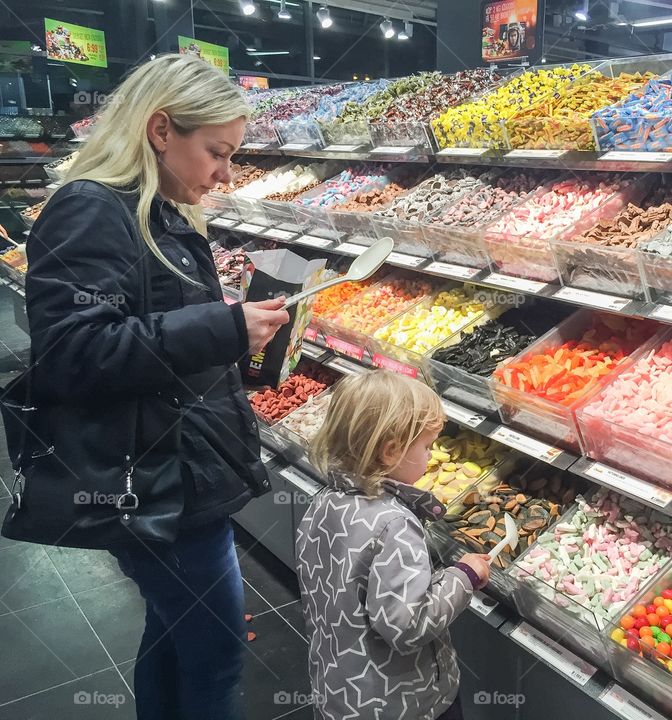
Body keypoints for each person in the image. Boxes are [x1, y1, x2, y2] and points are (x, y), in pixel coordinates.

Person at [3, 54, 289, 720]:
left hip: (176, 471)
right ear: (161, 129)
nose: (225, 174)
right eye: (217, 152)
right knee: (215, 654)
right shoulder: (90, 210)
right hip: (152, 485)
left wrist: (238, 342)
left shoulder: (156, 211)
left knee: (174, 632)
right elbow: (75, 352)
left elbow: (149, 331)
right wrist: (221, 331)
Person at [296, 371, 491, 720]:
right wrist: (463, 577)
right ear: (390, 452)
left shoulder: (325, 499)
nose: (431, 456)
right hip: (404, 703)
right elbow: (408, 626)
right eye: (427, 445)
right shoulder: (395, 524)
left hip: (340, 687)